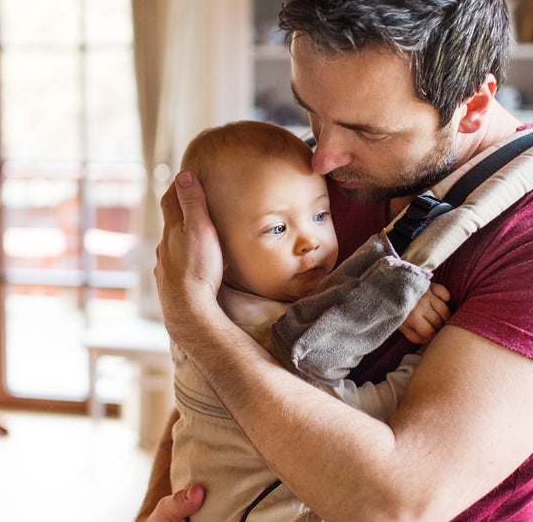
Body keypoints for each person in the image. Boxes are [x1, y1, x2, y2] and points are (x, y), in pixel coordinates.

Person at [142, 0, 533, 520]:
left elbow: (398, 502)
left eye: (365, 130)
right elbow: (224, 387)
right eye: (310, 110)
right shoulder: (317, 186)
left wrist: (195, 323)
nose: (321, 156)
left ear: (473, 107)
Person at [169, 120, 452, 521]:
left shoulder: (218, 301)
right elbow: (347, 419)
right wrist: (425, 361)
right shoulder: (263, 338)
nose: (310, 241)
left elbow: (329, 302)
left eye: (320, 215)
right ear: (215, 248)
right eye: (278, 228)